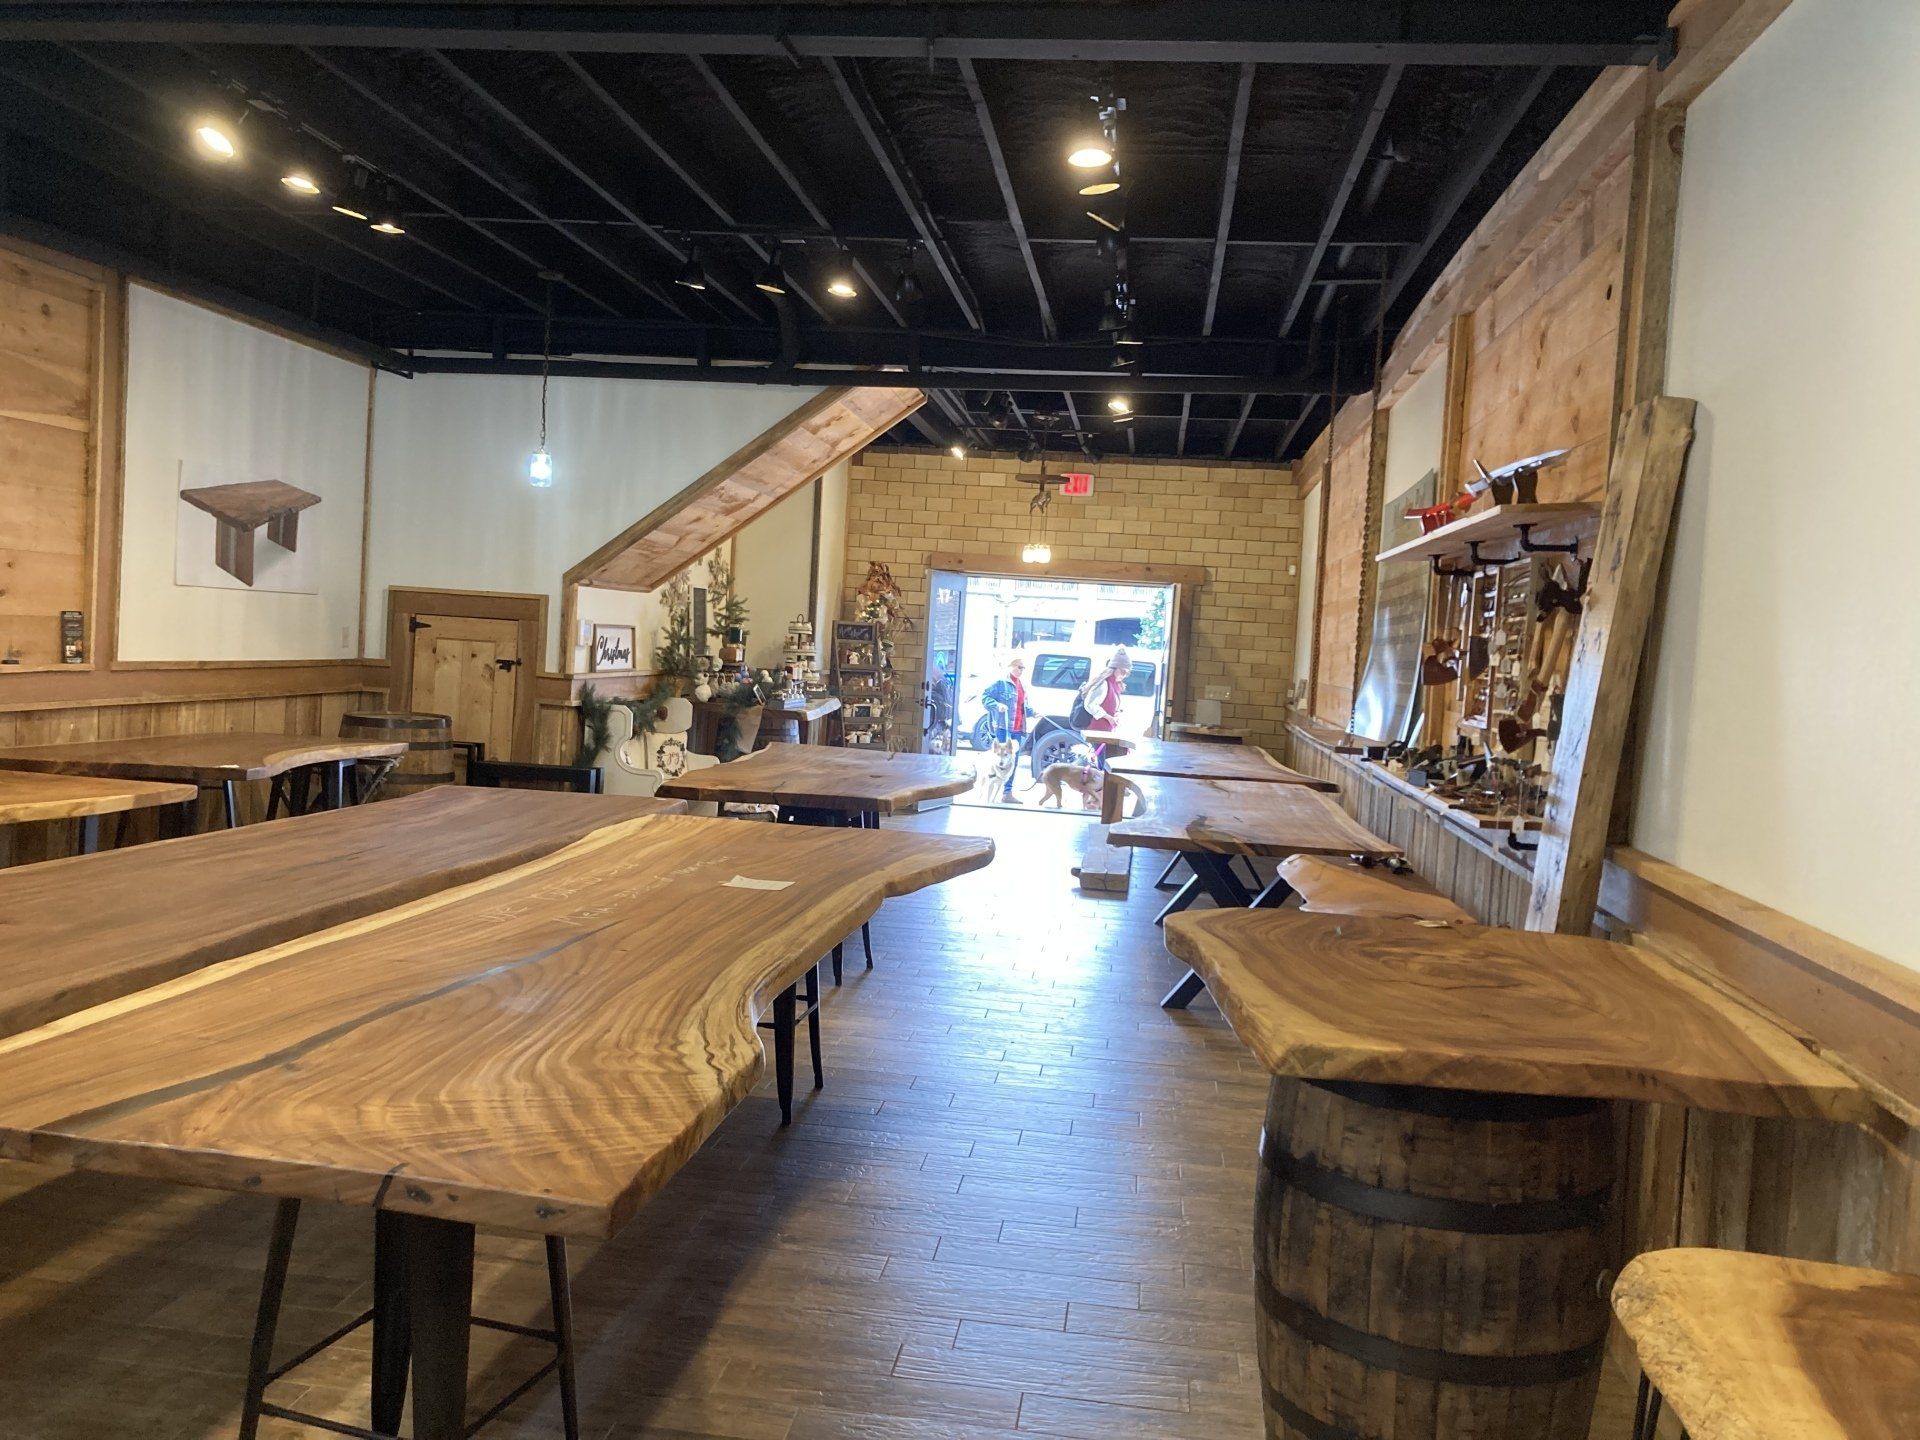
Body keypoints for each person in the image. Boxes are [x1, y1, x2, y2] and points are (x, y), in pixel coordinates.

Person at [981, 656, 1028, 802]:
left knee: (1013, 761)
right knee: (1000, 759)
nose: (1021, 670)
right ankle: (991, 789)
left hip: (1018, 728)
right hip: (1003, 727)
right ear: (1011, 666)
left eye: (1023, 668)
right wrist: (997, 705)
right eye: (1019, 667)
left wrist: (1032, 711)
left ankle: (1007, 792)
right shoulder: (1000, 683)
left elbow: (1021, 706)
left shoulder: (1021, 685)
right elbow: (985, 697)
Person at [1079, 646, 1132, 735]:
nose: (1124, 675)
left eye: (1127, 673)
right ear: (1114, 669)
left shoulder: (1115, 686)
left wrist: (1116, 714)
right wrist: (1108, 717)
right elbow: (1090, 704)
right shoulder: (1104, 684)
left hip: (1106, 731)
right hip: (1097, 731)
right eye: (1123, 672)